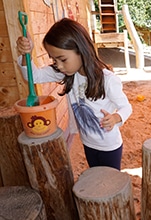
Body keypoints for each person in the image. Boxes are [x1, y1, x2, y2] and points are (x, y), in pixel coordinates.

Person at [16, 18, 132, 170]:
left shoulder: (108, 80)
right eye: (54, 59)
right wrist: (27, 55)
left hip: (109, 146)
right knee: (95, 175)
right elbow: (33, 76)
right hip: (88, 143)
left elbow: (126, 107)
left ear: (81, 50)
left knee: (110, 182)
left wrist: (116, 118)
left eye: (62, 59)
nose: (58, 65)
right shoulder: (67, 73)